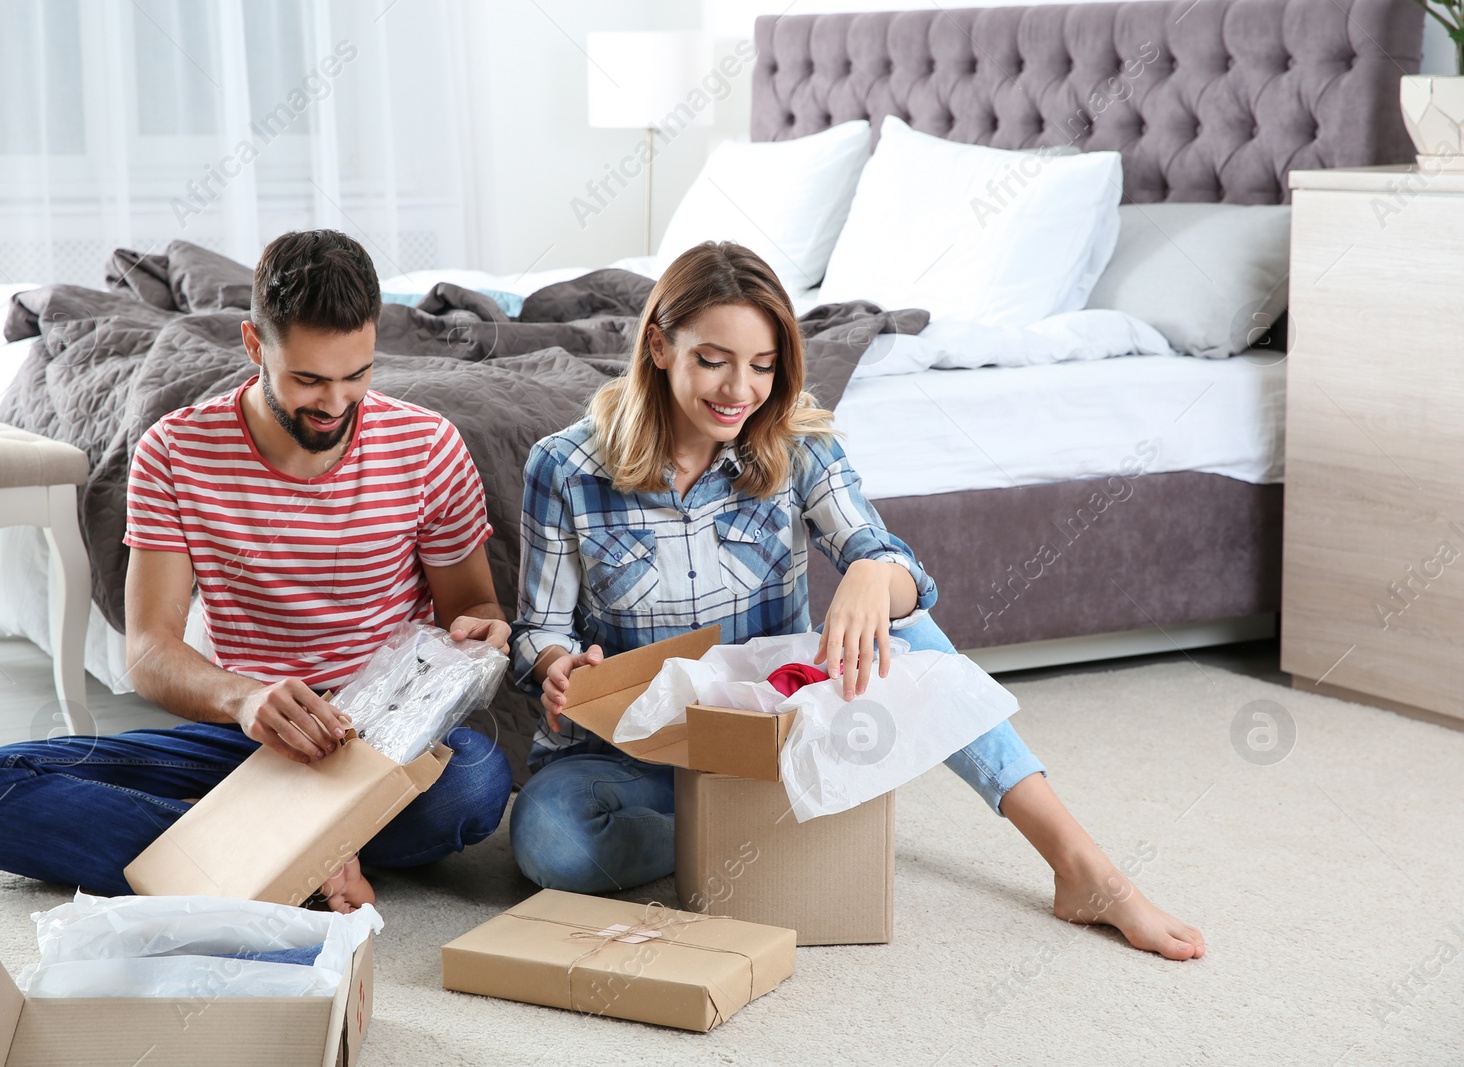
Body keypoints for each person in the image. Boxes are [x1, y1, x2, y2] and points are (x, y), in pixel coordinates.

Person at [508, 241, 1205, 960]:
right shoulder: (566, 466)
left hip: (768, 733)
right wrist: (557, 662)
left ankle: (1083, 866)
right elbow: (538, 629)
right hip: (632, 748)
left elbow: (895, 570)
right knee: (549, 842)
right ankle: (757, 829)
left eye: (762, 364)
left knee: (911, 630)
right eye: (713, 359)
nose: (738, 390)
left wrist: (873, 572)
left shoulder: (795, 441)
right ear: (659, 344)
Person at [0, 230, 513, 910]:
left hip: (382, 740)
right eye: (309, 379)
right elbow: (149, 652)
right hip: (245, 735)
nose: (336, 404)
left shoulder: (428, 445)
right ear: (255, 345)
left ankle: (233, 857)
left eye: (358, 374)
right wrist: (246, 699)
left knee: (474, 783)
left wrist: (481, 632)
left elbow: (475, 608)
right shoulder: (175, 451)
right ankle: (298, 859)